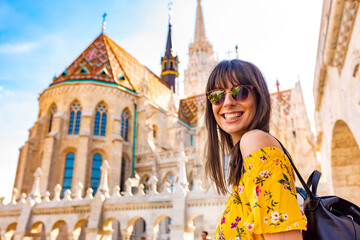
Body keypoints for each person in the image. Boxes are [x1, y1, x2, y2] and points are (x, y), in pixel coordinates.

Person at [204, 59, 307, 240]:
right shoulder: (246, 157)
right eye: (217, 96)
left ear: (258, 98)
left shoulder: (255, 142)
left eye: (240, 92)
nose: (227, 102)